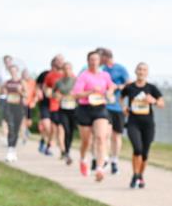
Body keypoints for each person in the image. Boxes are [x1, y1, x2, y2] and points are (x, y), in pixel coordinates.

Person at [71, 51, 115, 181]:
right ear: (88, 61)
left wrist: (109, 92)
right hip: (85, 108)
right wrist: (91, 91)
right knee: (87, 141)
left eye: (96, 59)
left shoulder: (105, 75)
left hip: (100, 108)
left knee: (101, 138)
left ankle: (100, 169)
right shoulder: (83, 76)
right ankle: (83, 159)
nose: (94, 62)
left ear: (99, 61)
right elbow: (76, 95)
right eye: (91, 59)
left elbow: (111, 86)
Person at [122, 63, 164, 188]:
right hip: (133, 123)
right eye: (139, 69)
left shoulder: (151, 88)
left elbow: (162, 103)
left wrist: (154, 101)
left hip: (148, 124)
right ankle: (135, 175)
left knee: (145, 153)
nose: (141, 71)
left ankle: (140, 176)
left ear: (147, 73)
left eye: (144, 70)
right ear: (135, 71)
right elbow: (121, 97)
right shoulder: (129, 87)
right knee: (137, 149)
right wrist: (123, 107)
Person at [99, 48, 130, 175]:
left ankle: (114, 160)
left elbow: (128, 84)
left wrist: (118, 87)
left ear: (106, 57)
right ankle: (105, 158)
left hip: (117, 107)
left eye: (101, 57)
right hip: (105, 106)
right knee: (104, 134)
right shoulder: (102, 70)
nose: (99, 60)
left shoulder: (120, 68)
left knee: (116, 136)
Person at [52, 62, 78, 164]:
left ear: (71, 70)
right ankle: (66, 152)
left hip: (74, 109)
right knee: (65, 129)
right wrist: (56, 95)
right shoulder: (58, 82)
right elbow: (53, 93)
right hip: (63, 109)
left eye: (69, 68)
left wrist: (75, 94)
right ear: (62, 70)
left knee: (71, 131)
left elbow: (82, 91)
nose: (67, 71)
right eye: (65, 69)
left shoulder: (76, 81)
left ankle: (67, 150)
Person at [38, 55, 65, 155]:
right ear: (53, 62)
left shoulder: (63, 75)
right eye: (59, 60)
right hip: (45, 103)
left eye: (62, 60)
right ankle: (45, 141)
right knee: (47, 126)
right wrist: (39, 92)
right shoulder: (45, 74)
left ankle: (46, 144)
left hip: (57, 104)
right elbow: (38, 86)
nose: (61, 62)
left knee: (54, 128)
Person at [1, 65, 26, 162]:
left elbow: (27, 94)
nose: (13, 72)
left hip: (19, 108)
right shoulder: (7, 82)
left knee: (16, 130)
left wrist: (20, 92)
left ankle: (13, 150)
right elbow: (2, 92)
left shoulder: (21, 82)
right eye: (11, 71)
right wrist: (4, 91)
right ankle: (9, 150)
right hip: (9, 107)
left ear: (17, 71)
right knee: (10, 128)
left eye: (14, 71)